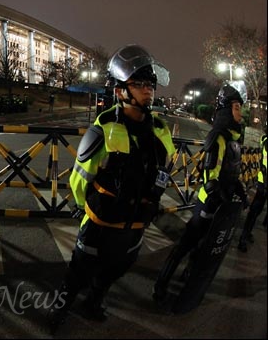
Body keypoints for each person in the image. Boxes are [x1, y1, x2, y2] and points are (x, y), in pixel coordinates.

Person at [48, 44, 175, 331]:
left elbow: (165, 169)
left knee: (119, 268)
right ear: (120, 91)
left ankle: (93, 302)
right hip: (100, 222)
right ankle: (60, 310)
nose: (148, 90)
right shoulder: (102, 128)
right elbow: (80, 177)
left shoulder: (160, 131)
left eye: (150, 84)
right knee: (78, 271)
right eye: (140, 84)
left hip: (137, 222)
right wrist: (82, 206)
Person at [152, 81, 248, 304]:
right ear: (225, 110)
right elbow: (210, 176)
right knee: (186, 245)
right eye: (235, 107)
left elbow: (232, 174)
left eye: (240, 107)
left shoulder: (234, 141)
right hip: (208, 205)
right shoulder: (219, 139)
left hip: (222, 208)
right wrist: (217, 196)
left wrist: (240, 191)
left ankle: (190, 276)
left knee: (204, 246)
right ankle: (161, 285)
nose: (240, 111)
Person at [237, 125, 267, 252]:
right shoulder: (266, 140)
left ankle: (247, 233)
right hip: (264, 181)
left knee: (258, 211)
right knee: (255, 210)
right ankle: (243, 238)